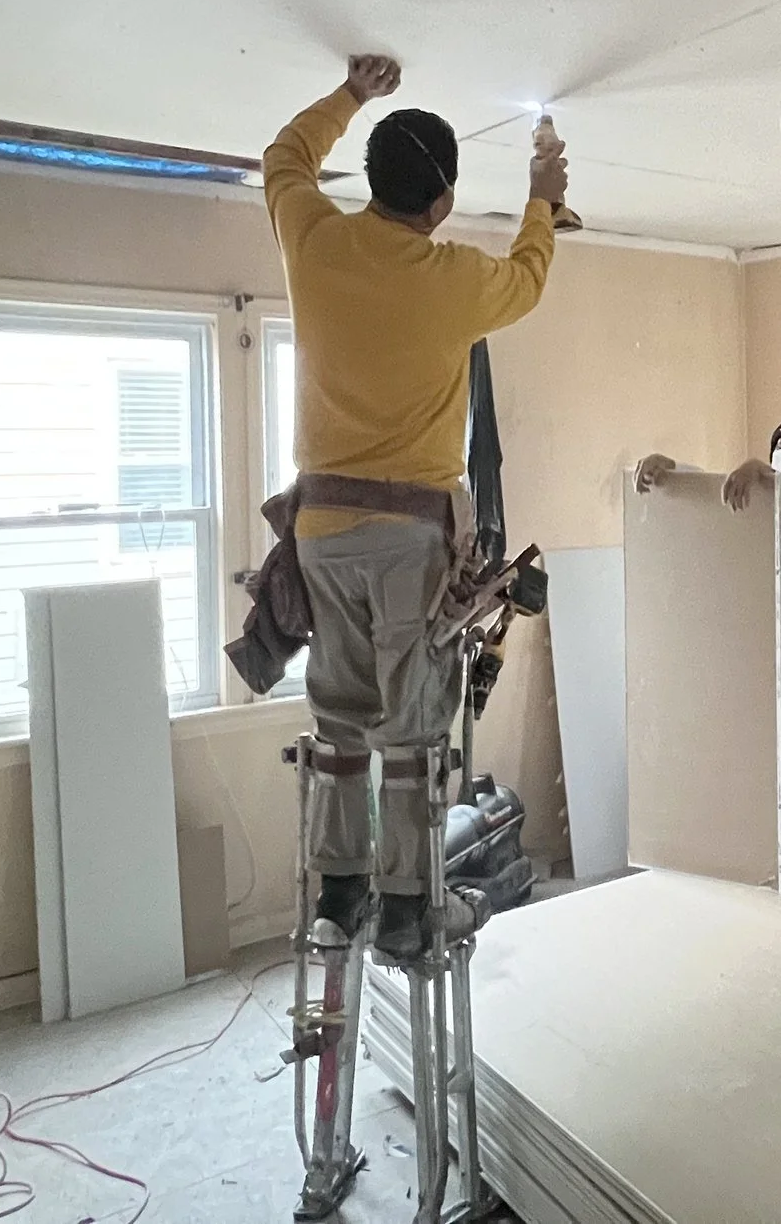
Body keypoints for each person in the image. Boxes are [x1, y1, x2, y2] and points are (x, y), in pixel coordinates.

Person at [265, 54, 570, 960]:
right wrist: (543, 195)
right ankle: (404, 908)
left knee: (341, 720)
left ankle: (338, 892)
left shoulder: (312, 239)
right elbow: (529, 275)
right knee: (411, 729)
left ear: (368, 177)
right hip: (411, 539)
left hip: (321, 531)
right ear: (439, 204)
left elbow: (283, 157)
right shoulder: (452, 279)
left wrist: (351, 94)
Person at [634, 419, 781, 920]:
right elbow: (718, 494)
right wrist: (672, 472)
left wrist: (764, 474)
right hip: (765, 678)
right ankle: (776, 909)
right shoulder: (761, 509)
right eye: (780, 443)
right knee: (769, 809)